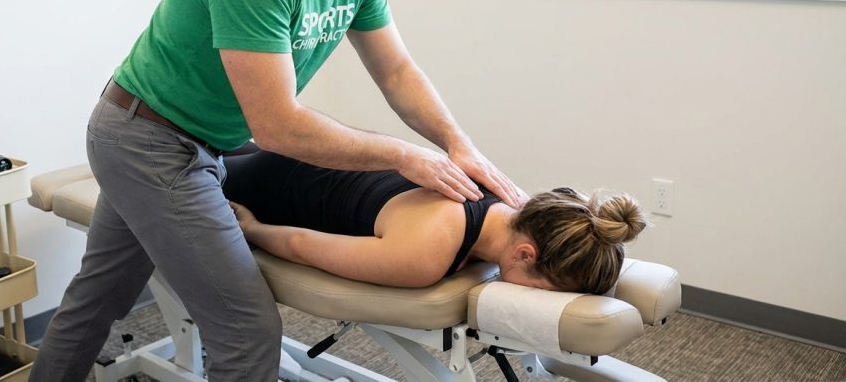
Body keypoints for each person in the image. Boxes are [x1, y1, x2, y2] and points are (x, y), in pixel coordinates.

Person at [31, 0, 526, 382]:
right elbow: (277, 125)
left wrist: (457, 144)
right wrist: (406, 158)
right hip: (147, 139)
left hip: (202, 140)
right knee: (246, 330)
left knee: (96, 300)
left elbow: (397, 71)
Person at [225, 146, 648, 293]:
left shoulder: (509, 197)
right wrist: (252, 229)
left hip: (294, 161)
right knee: (174, 154)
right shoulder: (425, 256)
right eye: (548, 289)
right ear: (525, 252)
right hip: (259, 187)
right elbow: (301, 246)